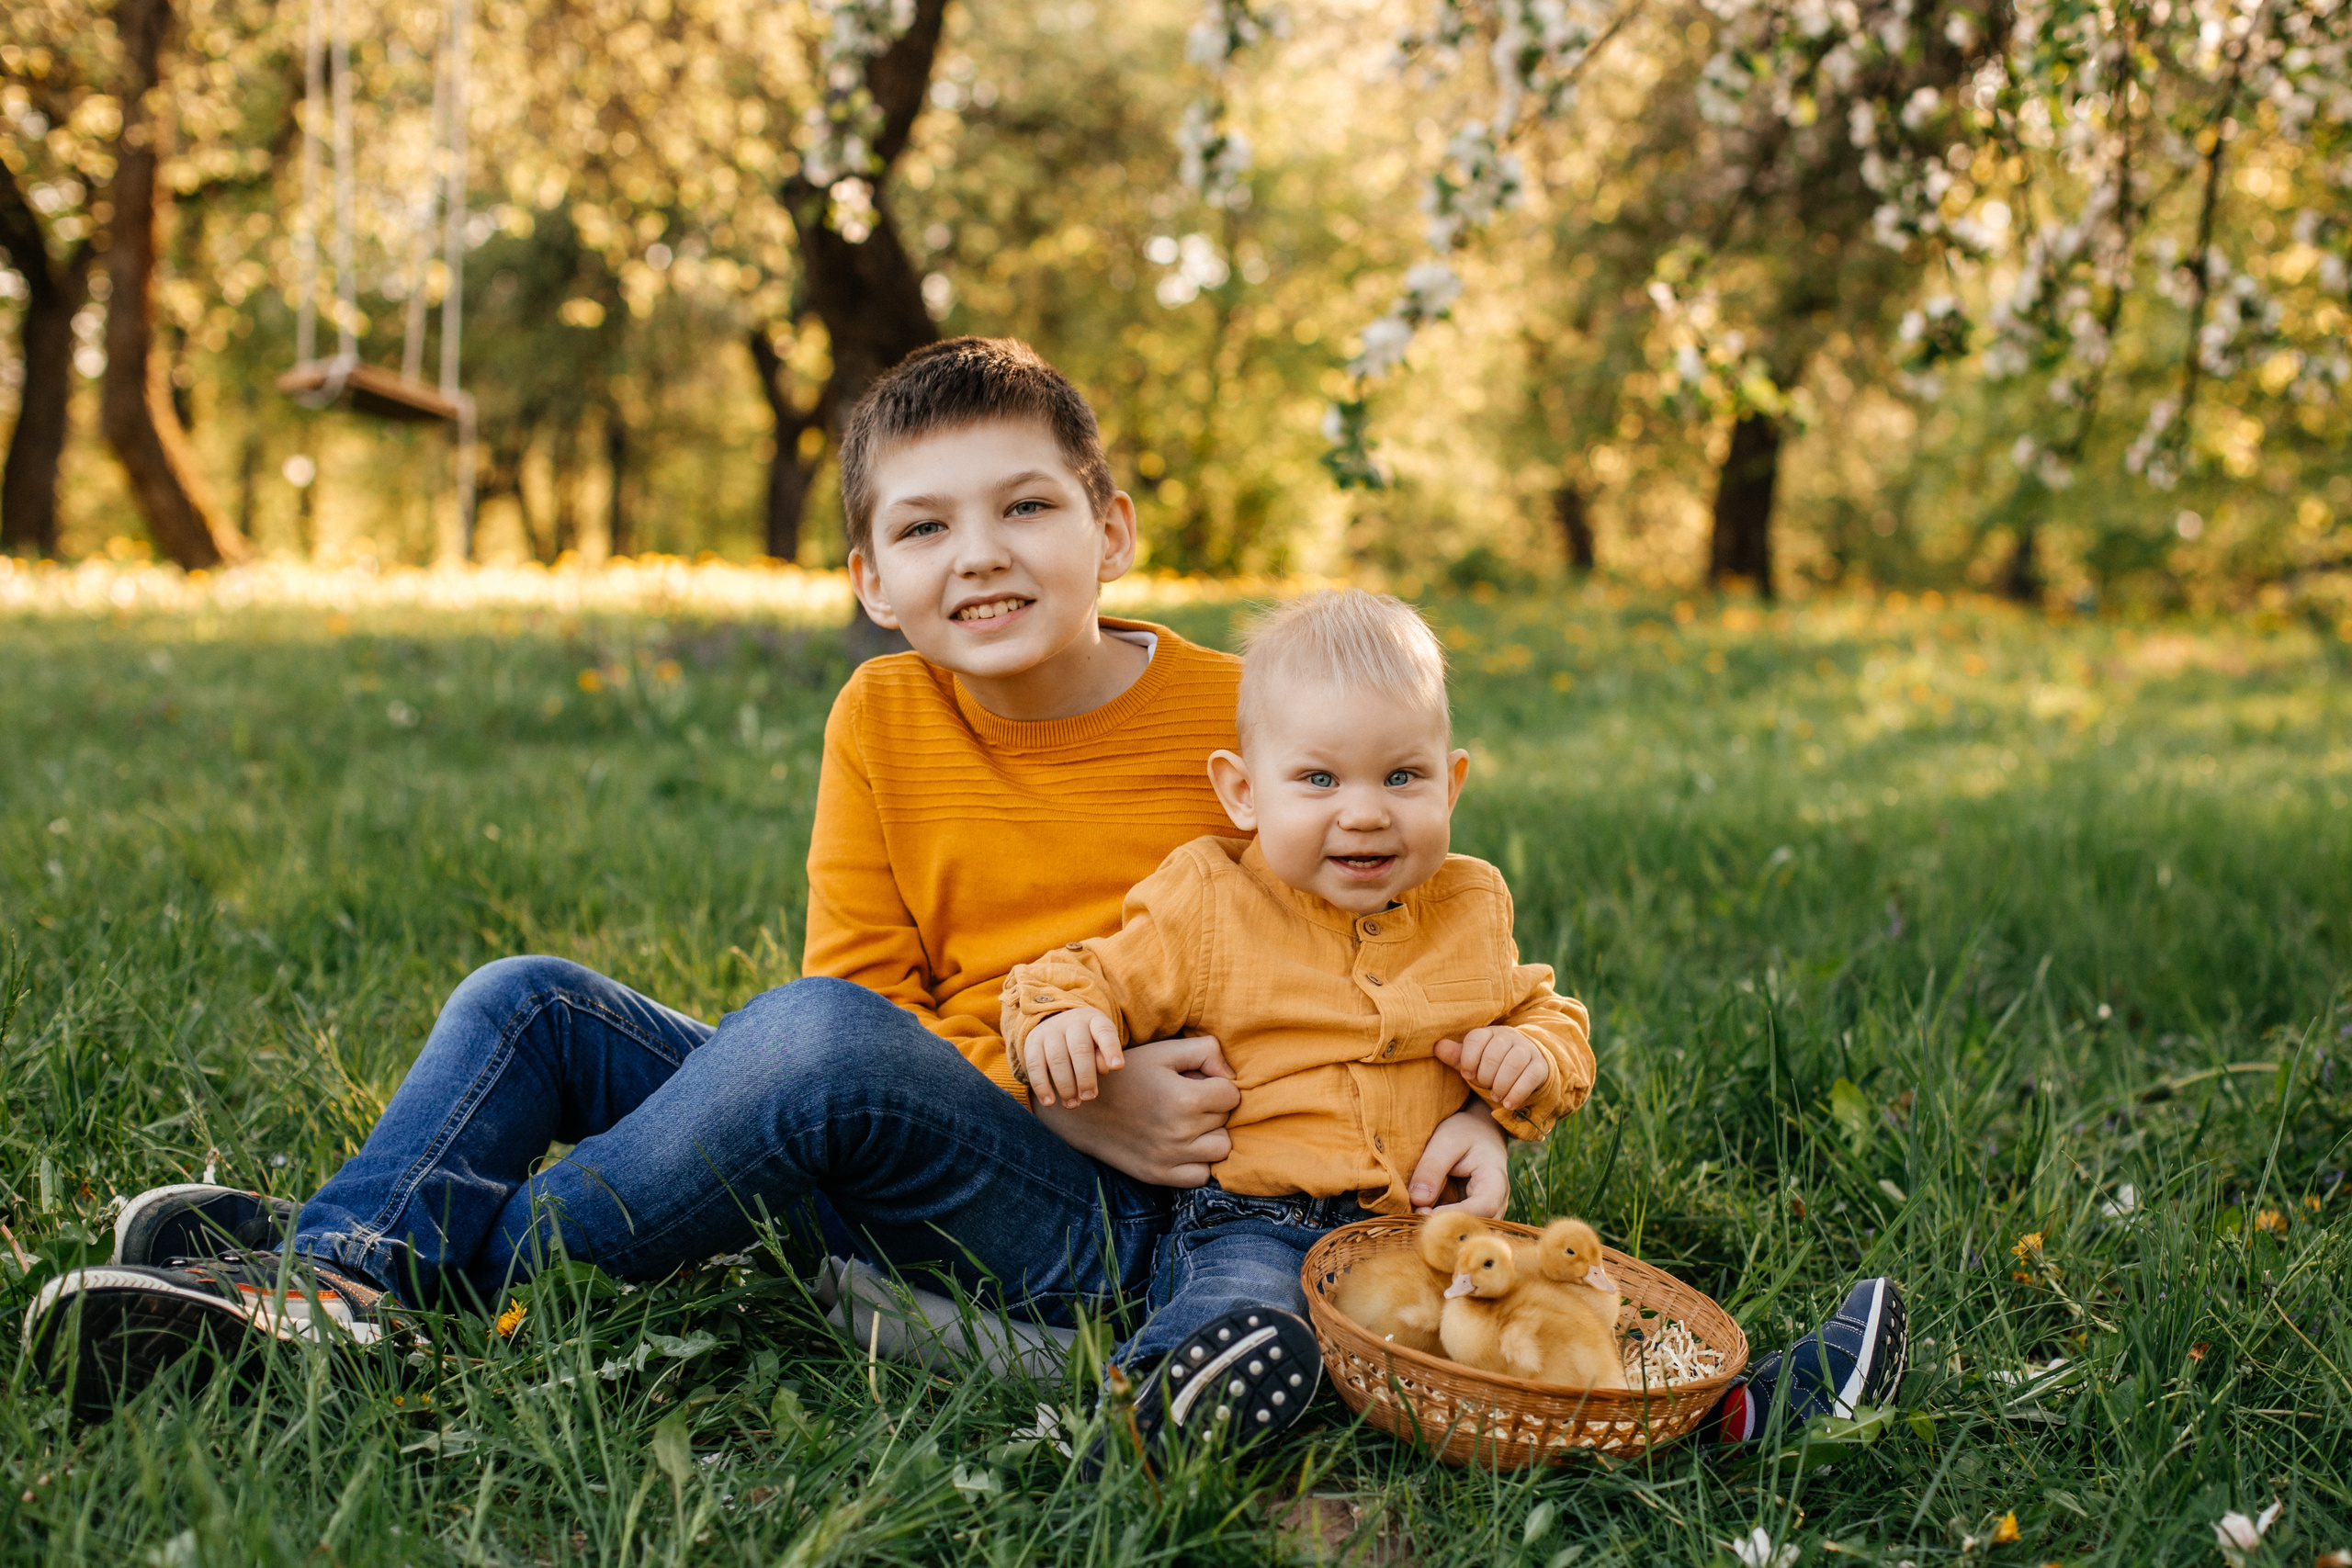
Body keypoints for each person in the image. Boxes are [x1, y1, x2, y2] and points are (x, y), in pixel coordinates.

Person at [26, 338, 1904, 1463]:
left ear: (1110, 527)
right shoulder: (882, 714)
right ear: (867, 574)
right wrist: (1050, 1081)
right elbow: (850, 995)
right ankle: (346, 1254)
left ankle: (361, 1272)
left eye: (1021, 507)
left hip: (1147, 1209)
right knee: (533, 996)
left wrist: (1483, 1099)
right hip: (967, 1112)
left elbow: (1411, 942)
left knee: (818, 1049)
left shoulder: (1251, 720)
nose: (976, 555)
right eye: (921, 526)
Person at [1002, 592, 1906, 1463]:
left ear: (1452, 783)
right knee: (1251, 1307)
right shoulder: (1206, 900)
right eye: (1317, 778)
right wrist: (1062, 1019)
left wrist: (1530, 1059)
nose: (1363, 810)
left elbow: (1548, 1018)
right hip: (1258, 1220)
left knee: (1557, 1313)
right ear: (1242, 792)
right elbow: (1078, 976)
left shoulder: (1469, 905)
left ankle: (1748, 1407)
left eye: (1402, 776)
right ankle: (1155, 1413)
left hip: (1430, 1238)